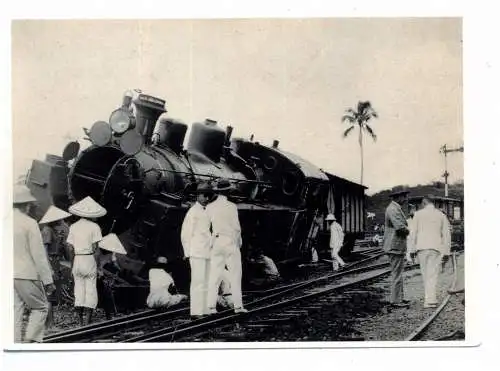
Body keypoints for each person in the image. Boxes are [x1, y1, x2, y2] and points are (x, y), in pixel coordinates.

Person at [13, 185, 56, 343]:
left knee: (15, 310)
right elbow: (38, 255)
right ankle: (31, 342)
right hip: (26, 274)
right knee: (41, 307)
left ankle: (15, 343)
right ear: (27, 204)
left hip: (7, 274)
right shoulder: (29, 223)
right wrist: (48, 281)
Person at [206, 178, 247, 314]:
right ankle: (238, 307)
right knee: (235, 275)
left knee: (214, 276)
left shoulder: (210, 207)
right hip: (229, 242)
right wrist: (238, 243)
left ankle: (211, 307)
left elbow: (206, 228)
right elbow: (236, 228)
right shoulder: (232, 207)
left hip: (216, 242)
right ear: (228, 191)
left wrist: (211, 243)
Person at [66, 196, 106, 326]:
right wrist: (99, 267)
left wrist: (72, 265)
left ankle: (80, 322)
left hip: (77, 259)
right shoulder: (95, 227)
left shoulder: (73, 227)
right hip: (89, 259)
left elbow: (70, 248)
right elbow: (96, 250)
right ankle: (88, 322)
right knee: (90, 291)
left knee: (78, 291)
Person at [407, 195, 451, 308]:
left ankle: (429, 299)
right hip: (436, 247)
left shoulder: (418, 214)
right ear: (433, 203)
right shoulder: (441, 215)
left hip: (421, 248)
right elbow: (447, 235)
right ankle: (431, 299)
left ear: (424, 203)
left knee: (425, 273)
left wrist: (411, 251)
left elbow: (413, 233)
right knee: (433, 273)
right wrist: (446, 252)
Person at [180, 182, 214, 319]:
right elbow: (185, 234)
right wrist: (187, 252)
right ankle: (195, 312)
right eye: (204, 196)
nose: (206, 198)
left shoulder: (207, 211)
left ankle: (205, 309)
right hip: (197, 252)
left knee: (206, 281)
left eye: (208, 196)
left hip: (207, 251)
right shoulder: (193, 212)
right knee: (198, 281)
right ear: (198, 196)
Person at [39, 205, 72, 330]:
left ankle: (50, 324)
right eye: (59, 219)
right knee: (49, 294)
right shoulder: (47, 231)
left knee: (52, 295)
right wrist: (50, 269)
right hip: (50, 262)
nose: (61, 221)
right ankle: (50, 325)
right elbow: (44, 252)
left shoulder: (54, 231)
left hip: (55, 261)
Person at [383, 189, 411, 308]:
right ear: (398, 197)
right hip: (395, 245)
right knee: (397, 274)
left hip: (396, 245)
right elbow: (400, 228)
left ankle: (399, 298)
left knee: (398, 273)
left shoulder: (394, 208)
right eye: (404, 196)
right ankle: (395, 301)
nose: (405, 199)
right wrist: (409, 231)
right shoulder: (393, 209)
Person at [95, 233, 127, 319]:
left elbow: (115, 263)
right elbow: (96, 266)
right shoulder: (97, 253)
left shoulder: (111, 252)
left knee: (108, 293)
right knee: (106, 294)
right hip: (99, 275)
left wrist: (119, 271)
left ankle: (111, 313)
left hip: (106, 275)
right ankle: (109, 314)